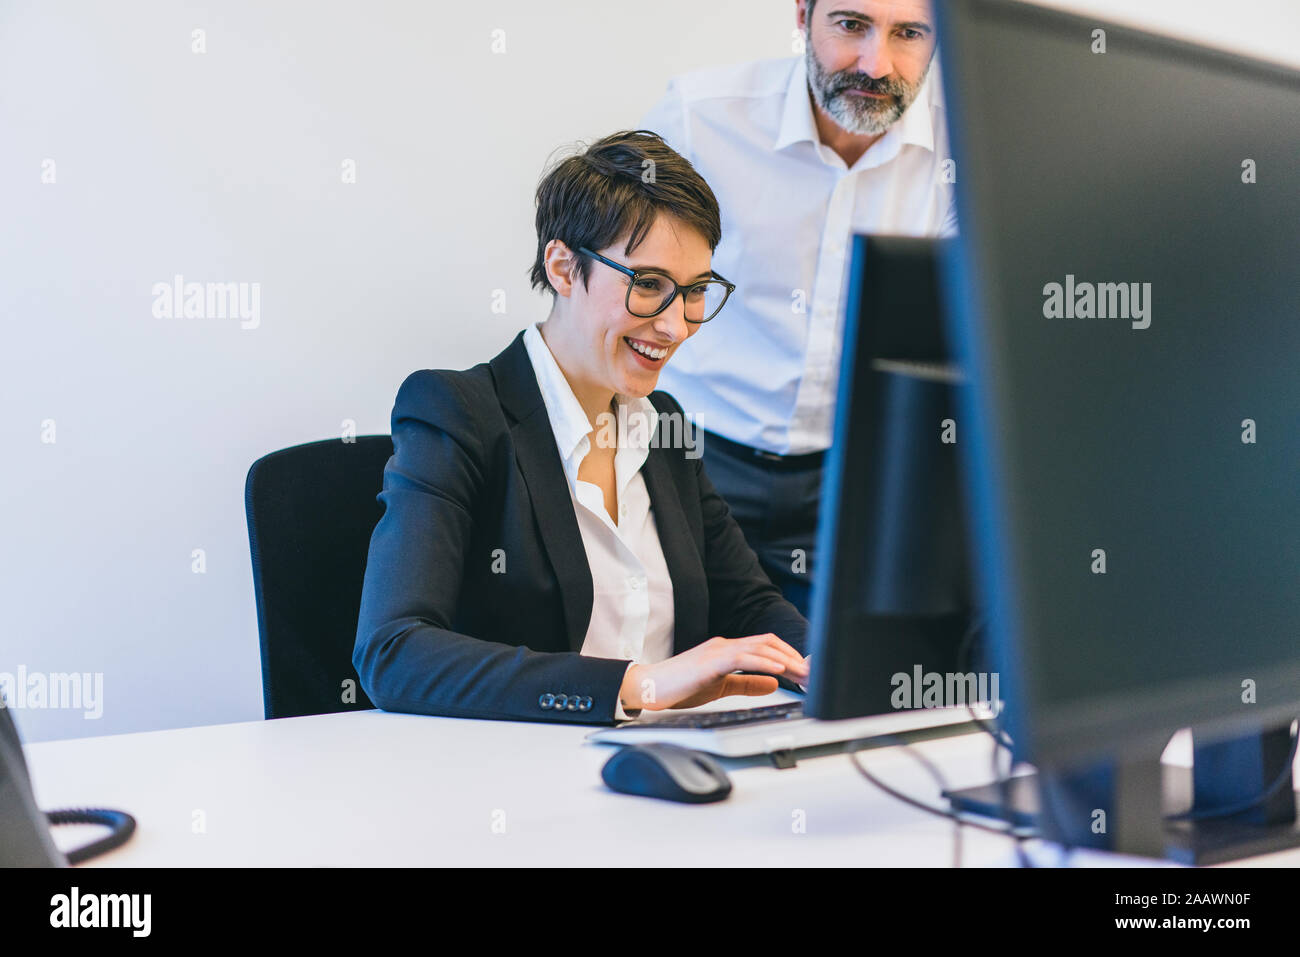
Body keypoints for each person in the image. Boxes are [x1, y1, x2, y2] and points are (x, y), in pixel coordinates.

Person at [353, 131, 810, 725]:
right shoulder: (456, 411)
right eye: (648, 285)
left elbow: (748, 602)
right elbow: (395, 651)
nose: (676, 326)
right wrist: (638, 685)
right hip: (513, 776)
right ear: (564, 267)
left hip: (674, 760)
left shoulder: (663, 424)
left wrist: (820, 665)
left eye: (695, 292)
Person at [640, 0, 955, 615]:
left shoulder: (969, 154)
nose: (876, 63)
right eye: (850, 24)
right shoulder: (697, 120)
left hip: (852, 483)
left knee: (836, 687)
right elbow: (618, 292)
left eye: (909, 33)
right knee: (664, 668)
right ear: (802, 13)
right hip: (687, 457)